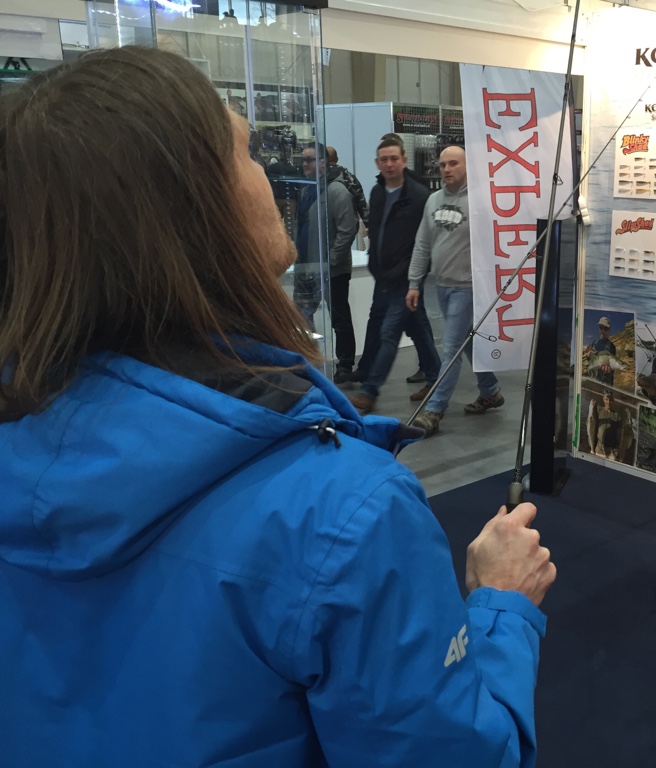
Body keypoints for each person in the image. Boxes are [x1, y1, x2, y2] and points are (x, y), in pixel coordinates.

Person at [0, 45, 556, 767]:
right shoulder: (347, 513)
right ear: (195, 206)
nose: (271, 175)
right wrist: (503, 605)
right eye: (248, 152)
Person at [406, 146, 503, 437]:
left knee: (451, 349)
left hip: (468, 287)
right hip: (442, 286)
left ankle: (435, 410)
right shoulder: (433, 200)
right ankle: (490, 391)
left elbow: (495, 244)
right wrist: (414, 283)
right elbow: (422, 243)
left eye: (453, 164)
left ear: (467, 166)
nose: (446, 169)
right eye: (443, 165)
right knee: (466, 342)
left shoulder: (481, 202)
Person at [348, 138, 441, 414]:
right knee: (417, 328)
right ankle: (436, 378)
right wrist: (375, 265)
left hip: (407, 278)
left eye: (394, 159)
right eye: (384, 160)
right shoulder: (377, 192)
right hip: (383, 278)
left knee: (389, 332)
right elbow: (377, 232)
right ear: (377, 163)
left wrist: (412, 275)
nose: (389, 164)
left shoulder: (419, 196)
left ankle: (370, 390)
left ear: (404, 160)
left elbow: (424, 242)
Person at [295, 142, 358, 382]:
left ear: (323, 162)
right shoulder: (306, 190)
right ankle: (309, 359)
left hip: (333, 270)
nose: (305, 164)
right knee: (302, 316)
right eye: (303, 160)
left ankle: (345, 364)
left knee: (339, 319)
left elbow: (347, 230)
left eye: (310, 160)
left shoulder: (337, 191)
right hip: (307, 266)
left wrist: (330, 261)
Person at [586, 389, 633, 462]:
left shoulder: (617, 415)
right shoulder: (598, 410)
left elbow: (622, 432)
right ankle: (593, 450)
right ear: (603, 399)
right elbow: (590, 424)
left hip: (612, 450)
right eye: (606, 399)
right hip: (599, 447)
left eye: (610, 400)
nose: (608, 402)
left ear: (613, 400)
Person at [586, 316, 617, 386]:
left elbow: (611, 367)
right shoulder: (594, 343)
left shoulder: (611, 347)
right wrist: (588, 355)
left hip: (605, 384)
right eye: (601, 328)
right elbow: (590, 361)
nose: (603, 331)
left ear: (609, 330)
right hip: (593, 380)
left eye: (605, 328)